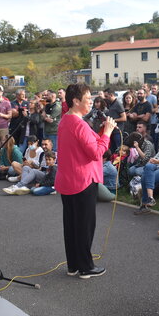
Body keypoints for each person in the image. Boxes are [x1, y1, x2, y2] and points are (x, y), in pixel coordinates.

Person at [55, 83, 116, 279]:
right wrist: (107, 133)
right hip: (82, 180)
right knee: (84, 225)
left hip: (68, 179)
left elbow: (85, 147)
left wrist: (100, 135)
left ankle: (73, 265)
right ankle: (86, 267)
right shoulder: (79, 124)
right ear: (76, 101)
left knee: (72, 224)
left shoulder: (65, 120)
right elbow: (96, 153)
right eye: (88, 98)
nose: (91, 101)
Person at [9, 89, 30, 154]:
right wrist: (19, 112)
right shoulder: (12, 103)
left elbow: (29, 113)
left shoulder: (27, 103)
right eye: (22, 94)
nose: (24, 96)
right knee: (14, 143)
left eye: (24, 94)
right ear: (17, 95)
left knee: (22, 144)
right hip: (14, 126)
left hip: (24, 127)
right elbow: (13, 114)